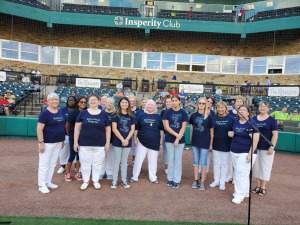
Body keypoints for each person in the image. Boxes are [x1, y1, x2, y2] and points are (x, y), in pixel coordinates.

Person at [74, 93, 111, 190]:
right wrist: (75, 142)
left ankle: (95, 180)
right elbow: (77, 128)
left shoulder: (103, 114)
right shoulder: (83, 113)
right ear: (88, 102)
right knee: (85, 163)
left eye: (95, 99)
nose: (93, 101)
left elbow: (108, 129)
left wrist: (107, 143)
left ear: (98, 101)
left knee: (97, 163)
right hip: (84, 144)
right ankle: (85, 181)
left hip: (100, 145)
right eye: (91, 100)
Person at [228, 105, 259, 204]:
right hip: (234, 150)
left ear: (248, 113)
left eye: (243, 110)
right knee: (243, 174)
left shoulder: (251, 123)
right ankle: (245, 192)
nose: (241, 111)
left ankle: (239, 195)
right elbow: (235, 134)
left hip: (245, 152)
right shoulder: (236, 121)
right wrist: (232, 134)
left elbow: (255, 139)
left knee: (239, 174)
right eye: (240, 110)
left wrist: (250, 154)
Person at [36, 93, 65, 194]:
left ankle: (48, 182)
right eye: (52, 100)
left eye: (56, 99)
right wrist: (41, 143)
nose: (54, 101)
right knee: (44, 164)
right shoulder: (45, 113)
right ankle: (41, 185)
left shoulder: (60, 111)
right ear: (48, 101)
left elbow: (61, 127)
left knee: (52, 164)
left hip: (57, 142)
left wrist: (62, 140)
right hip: (47, 143)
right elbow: (39, 129)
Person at [130, 100, 164, 184]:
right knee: (138, 159)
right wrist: (135, 138)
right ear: (145, 106)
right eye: (148, 105)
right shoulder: (141, 115)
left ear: (155, 107)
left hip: (154, 141)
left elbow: (161, 129)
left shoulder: (158, 117)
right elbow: (136, 128)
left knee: (153, 160)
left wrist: (161, 139)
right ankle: (135, 176)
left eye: (152, 105)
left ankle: (153, 177)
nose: (150, 106)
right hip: (141, 140)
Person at [252, 101, 278, 196]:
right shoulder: (254, 119)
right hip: (255, 147)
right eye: (261, 106)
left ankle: (263, 186)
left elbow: (275, 134)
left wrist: (272, 147)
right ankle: (258, 185)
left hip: (266, 148)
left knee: (265, 167)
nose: (262, 108)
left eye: (264, 106)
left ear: (268, 109)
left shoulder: (271, 120)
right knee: (257, 167)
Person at [163, 95, 188, 188]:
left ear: (179, 102)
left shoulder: (183, 112)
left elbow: (184, 127)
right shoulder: (167, 112)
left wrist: (178, 138)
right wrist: (176, 135)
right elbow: (166, 126)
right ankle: (170, 178)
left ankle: (176, 180)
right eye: (172, 100)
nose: (174, 102)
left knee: (177, 159)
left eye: (176, 100)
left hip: (180, 140)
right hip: (169, 138)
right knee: (171, 159)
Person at [210, 101, 235, 191]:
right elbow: (211, 132)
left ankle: (222, 182)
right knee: (216, 163)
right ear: (216, 109)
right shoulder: (213, 118)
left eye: (222, 107)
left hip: (227, 145)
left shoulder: (231, 119)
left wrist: (232, 134)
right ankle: (216, 180)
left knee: (224, 164)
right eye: (218, 108)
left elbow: (234, 131)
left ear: (225, 108)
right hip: (216, 144)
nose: (220, 109)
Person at [111, 97, 135, 189]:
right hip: (118, 141)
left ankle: (124, 180)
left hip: (127, 141)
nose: (124, 104)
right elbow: (114, 129)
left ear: (128, 104)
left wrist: (127, 139)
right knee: (117, 161)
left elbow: (132, 129)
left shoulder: (131, 115)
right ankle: (114, 180)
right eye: (122, 102)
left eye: (126, 102)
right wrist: (122, 139)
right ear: (119, 103)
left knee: (124, 161)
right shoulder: (115, 114)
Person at [190, 98, 213, 190]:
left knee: (203, 162)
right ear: (197, 104)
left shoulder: (209, 116)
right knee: (195, 161)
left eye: (203, 103)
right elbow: (192, 128)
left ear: (206, 105)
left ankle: (202, 181)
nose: (201, 105)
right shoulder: (193, 115)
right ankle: (196, 180)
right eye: (200, 103)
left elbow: (212, 132)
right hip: (195, 141)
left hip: (205, 141)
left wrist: (211, 144)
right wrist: (191, 138)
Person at [64, 96, 87, 181]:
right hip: (73, 137)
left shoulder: (87, 112)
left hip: (83, 137)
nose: (83, 104)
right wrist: (69, 134)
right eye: (81, 102)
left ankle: (77, 172)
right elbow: (67, 125)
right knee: (72, 155)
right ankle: (67, 172)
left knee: (80, 156)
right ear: (77, 103)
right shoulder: (72, 112)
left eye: (85, 102)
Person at [57, 96, 76, 174]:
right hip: (64, 135)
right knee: (63, 152)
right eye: (69, 100)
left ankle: (76, 167)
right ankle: (62, 167)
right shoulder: (62, 110)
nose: (71, 102)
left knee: (75, 152)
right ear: (67, 101)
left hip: (74, 135)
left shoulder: (77, 110)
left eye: (72, 100)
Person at [100, 98, 115, 180]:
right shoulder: (101, 113)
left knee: (110, 156)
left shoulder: (115, 114)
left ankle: (109, 172)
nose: (110, 104)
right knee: (102, 156)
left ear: (113, 105)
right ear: (105, 103)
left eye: (112, 103)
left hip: (112, 139)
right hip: (102, 138)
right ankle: (101, 172)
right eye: (108, 102)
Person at [160, 95, 172, 175]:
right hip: (165, 133)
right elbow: (163, 124)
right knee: (166, 151)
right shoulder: (163, 112)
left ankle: (172, 167)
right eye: (167, 102)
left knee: (173, 151)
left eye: (169, 102)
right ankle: (167, 167)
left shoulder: (175, 111)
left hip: (173, 134)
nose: (168, 103)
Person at [128, 96, 140, 165]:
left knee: (135, 149)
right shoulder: (125, 110)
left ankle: (134, 162)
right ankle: (124, 162)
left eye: (133, 101)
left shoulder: (138, 111)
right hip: (126, 132)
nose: (131, 102)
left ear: (135, 102)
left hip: (136, 132)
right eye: (130, 101)